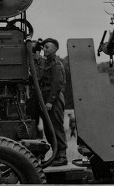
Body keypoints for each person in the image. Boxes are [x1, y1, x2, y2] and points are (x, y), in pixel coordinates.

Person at [40, 38, 68, 166]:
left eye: (47, 47)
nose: (44, 50)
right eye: (44, 47)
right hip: (46, 98)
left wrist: (50, 101)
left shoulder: (56, 63)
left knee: (56, 127)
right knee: (48, 128)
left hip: (54, 98)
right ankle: (56, 154)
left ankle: (62, 155)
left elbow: (57, 84)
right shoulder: (46, 63)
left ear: (55, 49)